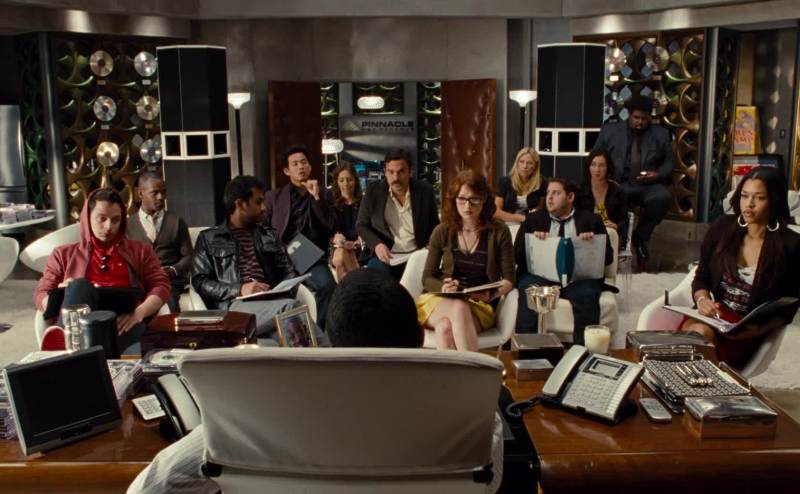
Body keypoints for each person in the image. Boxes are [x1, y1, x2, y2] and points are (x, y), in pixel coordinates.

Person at [129, 270, 505, 494]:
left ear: (331, 338)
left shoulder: (258, 412)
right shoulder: (469, 415)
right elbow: (489, 482)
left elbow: (154, 487)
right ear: (420, 337)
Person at [192, 175, 328, 346]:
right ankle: (331, 355)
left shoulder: (269, 235)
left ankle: (318, 360)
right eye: (258, 202)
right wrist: (240, 289)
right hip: (234, 307)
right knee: (291, 308)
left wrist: (278, 291)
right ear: (240, 204)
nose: (264, 207)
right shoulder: (209, 238)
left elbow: (289, 271)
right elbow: (200, 282)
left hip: (270, 305)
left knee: (287, 336)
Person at [686, 166, 800, 369]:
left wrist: (758, 330)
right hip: (711, 318)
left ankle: (703, 382)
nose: (749, 204)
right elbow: (701, 276)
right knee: (697, 334)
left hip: (744, 332)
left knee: (695, 342)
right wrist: (702, 300)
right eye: (744, 196)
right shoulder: (722, 227)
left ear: (774, 201)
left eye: (759, 198)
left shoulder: (791, 244)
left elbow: (789, 305)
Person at [34, 188, 170, 354]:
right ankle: (64, 337)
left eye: (115, 220)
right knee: (79, 286)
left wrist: (138, 313)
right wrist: (60, 294)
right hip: (80, 327)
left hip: (123, 325)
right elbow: (41, 294)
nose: (108, 226)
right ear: (87, 218)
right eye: (101, 219)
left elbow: (161, 286)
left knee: (127, 336)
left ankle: (72, 351)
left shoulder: (141, 251)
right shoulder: (62, 254)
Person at [417, 170, 515, 351]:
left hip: (479, 305)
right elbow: (427, 277)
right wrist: (443, 287)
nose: (467, 206)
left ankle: (459, 371)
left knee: (444, 328)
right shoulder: (442, 231)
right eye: (461, 199)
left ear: (484, 200)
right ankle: (477, 369)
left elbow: (509, 279)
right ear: (454, 200)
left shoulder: (499, 231)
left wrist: (490, 295)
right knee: (458, 307)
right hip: (440, 301)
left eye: (474, 199)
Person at [514, 178, 613, 345]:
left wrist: (591, 245)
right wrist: (535, 243)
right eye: (548, 193)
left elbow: (608, 258)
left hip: (578, 278)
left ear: (570, 197)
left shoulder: (591, 220)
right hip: (541, 276)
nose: (549, 197)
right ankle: (526, 349)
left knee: (587, 294)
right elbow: (517, 255)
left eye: (556, 193)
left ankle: (582, 352)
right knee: (529, 289)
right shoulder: (533, 219)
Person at [592, 94, 675, 262]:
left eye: (644, 119)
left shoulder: (661, 134)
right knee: (612, 198)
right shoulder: (610, 131)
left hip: (648, 184)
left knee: (663, 198)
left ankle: (640, 236)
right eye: (636, 118)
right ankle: (618, 240)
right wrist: (605, 177)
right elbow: (596, 156)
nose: (640, 122)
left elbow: (669, 163)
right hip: (618, 182)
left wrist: (657, 174)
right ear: (629, 114)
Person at [264, 145, 336, 328]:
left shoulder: (324, 194)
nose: (301, 167)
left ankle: (318, 332)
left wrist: (316, 197)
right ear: (287, 171)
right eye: (295, 164)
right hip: (282, 256)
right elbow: (264, 229)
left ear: (310, 166)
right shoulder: (274, 197)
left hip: (310, 256)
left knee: (327, 285)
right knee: (280, 293)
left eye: (304, 162)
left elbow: (331, 226)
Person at [356, 148, 439, 279]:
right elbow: (361, 225)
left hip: (416, 254)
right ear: (385, 172)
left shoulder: (425, 191)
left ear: (410, 172)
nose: (395, 178)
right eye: (391, 172)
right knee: (379, 280)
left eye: (401, 172)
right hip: (385, 255)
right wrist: (377, 245)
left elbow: (435, 226)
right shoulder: (373, 191)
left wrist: (428, 248)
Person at [126, 171, 193, 312]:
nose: (161, 197)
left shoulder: (176, 222)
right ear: (140, 194)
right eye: (155, 193)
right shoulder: (127, 225)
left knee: (170, 303)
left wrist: (173, 270)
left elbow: (189, 257)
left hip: (170, 282)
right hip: (139, 284)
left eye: (163, 192)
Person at [576, 149, 628, 245]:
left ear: (608, 168)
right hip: (586, 235)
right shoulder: (580, 190)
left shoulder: (617, 191)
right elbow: (575, 217)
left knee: (610, 234)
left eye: (601, 165)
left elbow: (625, 222)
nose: (597, 170)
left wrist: (617, 226)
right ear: (588, 167)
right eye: (593, 164)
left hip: (610, 235)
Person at [327, 162, 362, 280]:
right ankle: (357, 282)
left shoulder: (364, 203)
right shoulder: (332, 204)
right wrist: (337, 239)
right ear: (337, 182)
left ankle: (348, 287)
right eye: (341, 180)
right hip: (339, 246)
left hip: (359, 248)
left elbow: (368, 228)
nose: (346, 184)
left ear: (355, 181)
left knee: (340, 258)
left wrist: (358, 242)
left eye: (349, 179)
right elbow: (329, 232)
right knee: (340, 253)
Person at [493, 147, 547, 223]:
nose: (525, 166)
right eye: (521, 162)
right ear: (517, 163)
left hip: (531, 223)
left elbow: (542, 207)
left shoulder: (542, 182)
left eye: (529, 163)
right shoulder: (505, 181)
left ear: (535, 166)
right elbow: (496, 212)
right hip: (507, 223)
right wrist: (521, 218)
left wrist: (537, 211)